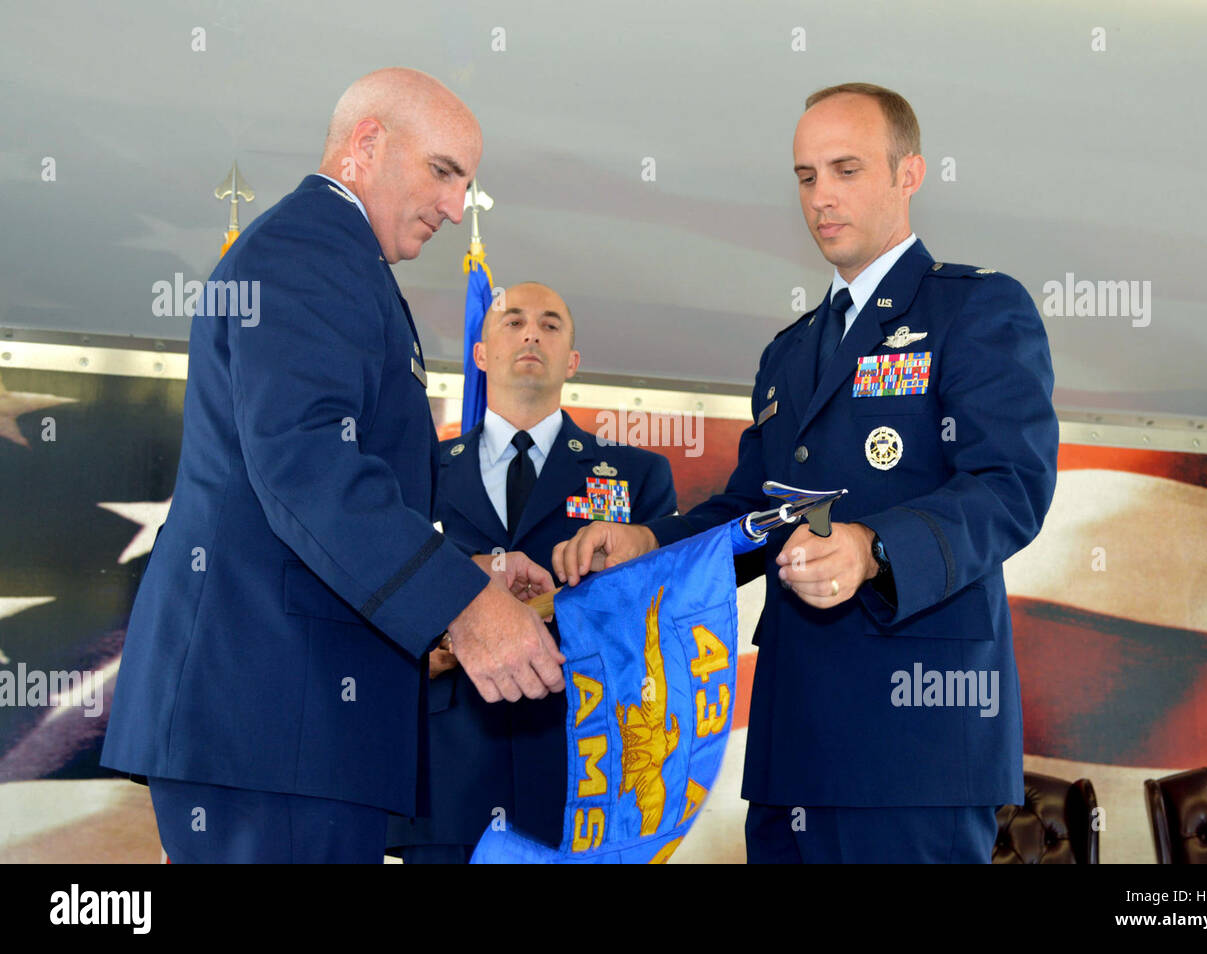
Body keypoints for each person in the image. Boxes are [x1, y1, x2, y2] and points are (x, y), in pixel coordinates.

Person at [554, 83, 1058, 863]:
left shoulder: (977, 310)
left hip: (914, 740)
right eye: (805, 176)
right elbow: (754, 511)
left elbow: (1010, 486)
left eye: (845, 170)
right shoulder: (788, 353)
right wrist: (652, 541)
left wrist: (874, 548)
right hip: (794, 741)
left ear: (909, 173)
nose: (821, 197)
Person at [100, 68, 564, 863]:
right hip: (274, 725)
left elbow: (306, 497)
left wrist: (472, 572)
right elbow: (307, 466)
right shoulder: (310, 250)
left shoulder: (335, 258)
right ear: (368, 144)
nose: (457, 209)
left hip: (291, 731)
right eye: (444, 172)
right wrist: (465, 606)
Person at [387, 282, 677, 863]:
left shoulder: (637, 474)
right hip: (446, 777)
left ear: (572, 360)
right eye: (512, 320)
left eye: (550, 324)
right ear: (481, 353)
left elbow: (659, 619)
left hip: (586, 775)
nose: (530, 333)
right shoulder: (416, 476)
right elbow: (385, 596)